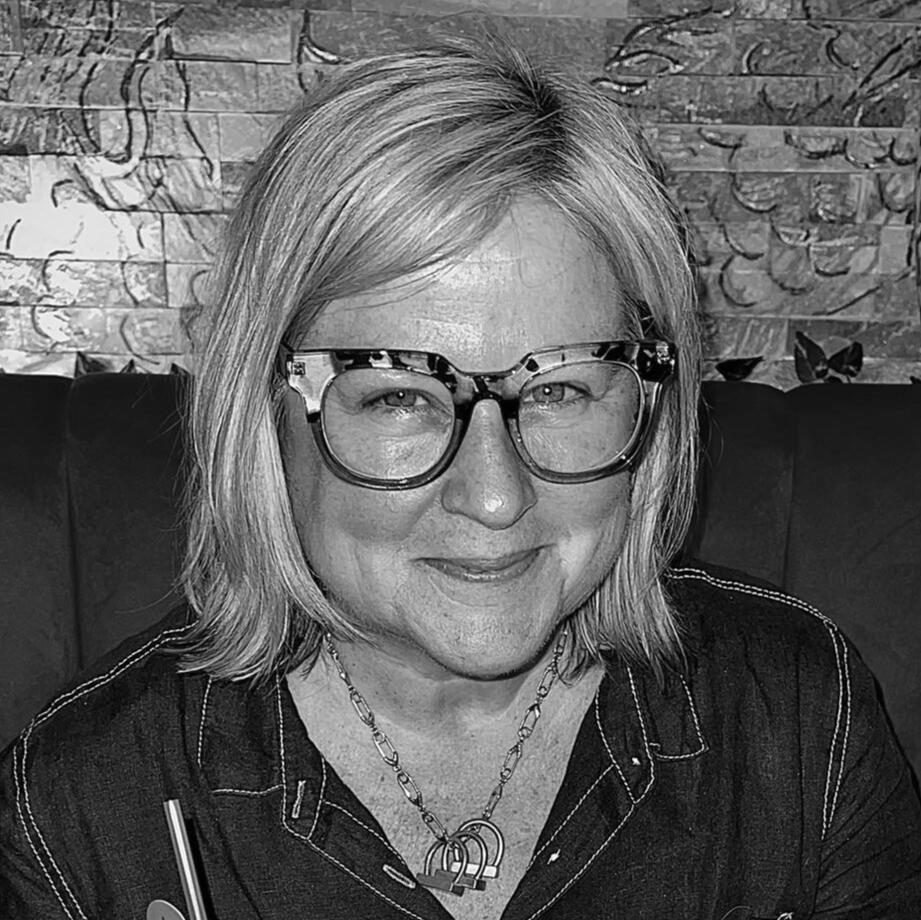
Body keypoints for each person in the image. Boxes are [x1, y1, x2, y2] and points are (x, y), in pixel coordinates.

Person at [2, 35, 919, 920]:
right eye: (398, 397)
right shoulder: (78, 809)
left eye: (559, 389)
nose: (494, 496)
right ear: (264, 412)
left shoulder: (798, 713)